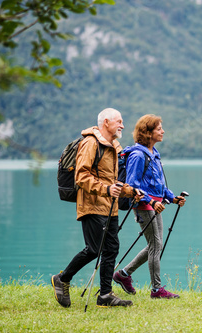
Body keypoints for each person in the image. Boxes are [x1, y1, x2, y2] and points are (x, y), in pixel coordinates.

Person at [51, 108, 143, 308]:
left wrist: (132, 192)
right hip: (91, 205)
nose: (122, 125)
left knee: (112, 248)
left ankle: (105, 295)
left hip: (110, 206)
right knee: (94, 249)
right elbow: (81, 177)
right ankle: (63, 279)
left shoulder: (112, 146)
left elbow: (113, 182)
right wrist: (107, 189)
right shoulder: (90, 143)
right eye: (119, 121)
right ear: (107, 122)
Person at [113, 114, 186, 299]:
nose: (163, 131)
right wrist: (150, 201)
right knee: (155, 245)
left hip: (156, 205)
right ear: (148, 132)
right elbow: (132, 186)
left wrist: (172, 198)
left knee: (155, 245)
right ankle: (157, 290)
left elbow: (159, 185)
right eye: (159, 128)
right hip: (144, 206)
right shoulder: (138, 155)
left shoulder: (153, 154)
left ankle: (123, 274)